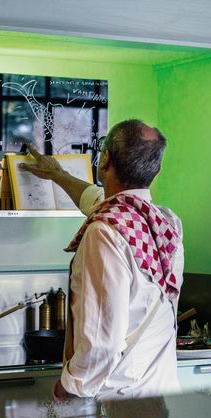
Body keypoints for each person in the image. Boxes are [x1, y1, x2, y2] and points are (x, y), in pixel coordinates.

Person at [20, 119, 184, 401]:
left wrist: (71, 386)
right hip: (162, 391)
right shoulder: (166, 223)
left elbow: (102, 340)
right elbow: (100, 200)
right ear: (156, 170)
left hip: (118, 401)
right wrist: (58, 175)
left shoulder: (105, 232)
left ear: (104, 159)